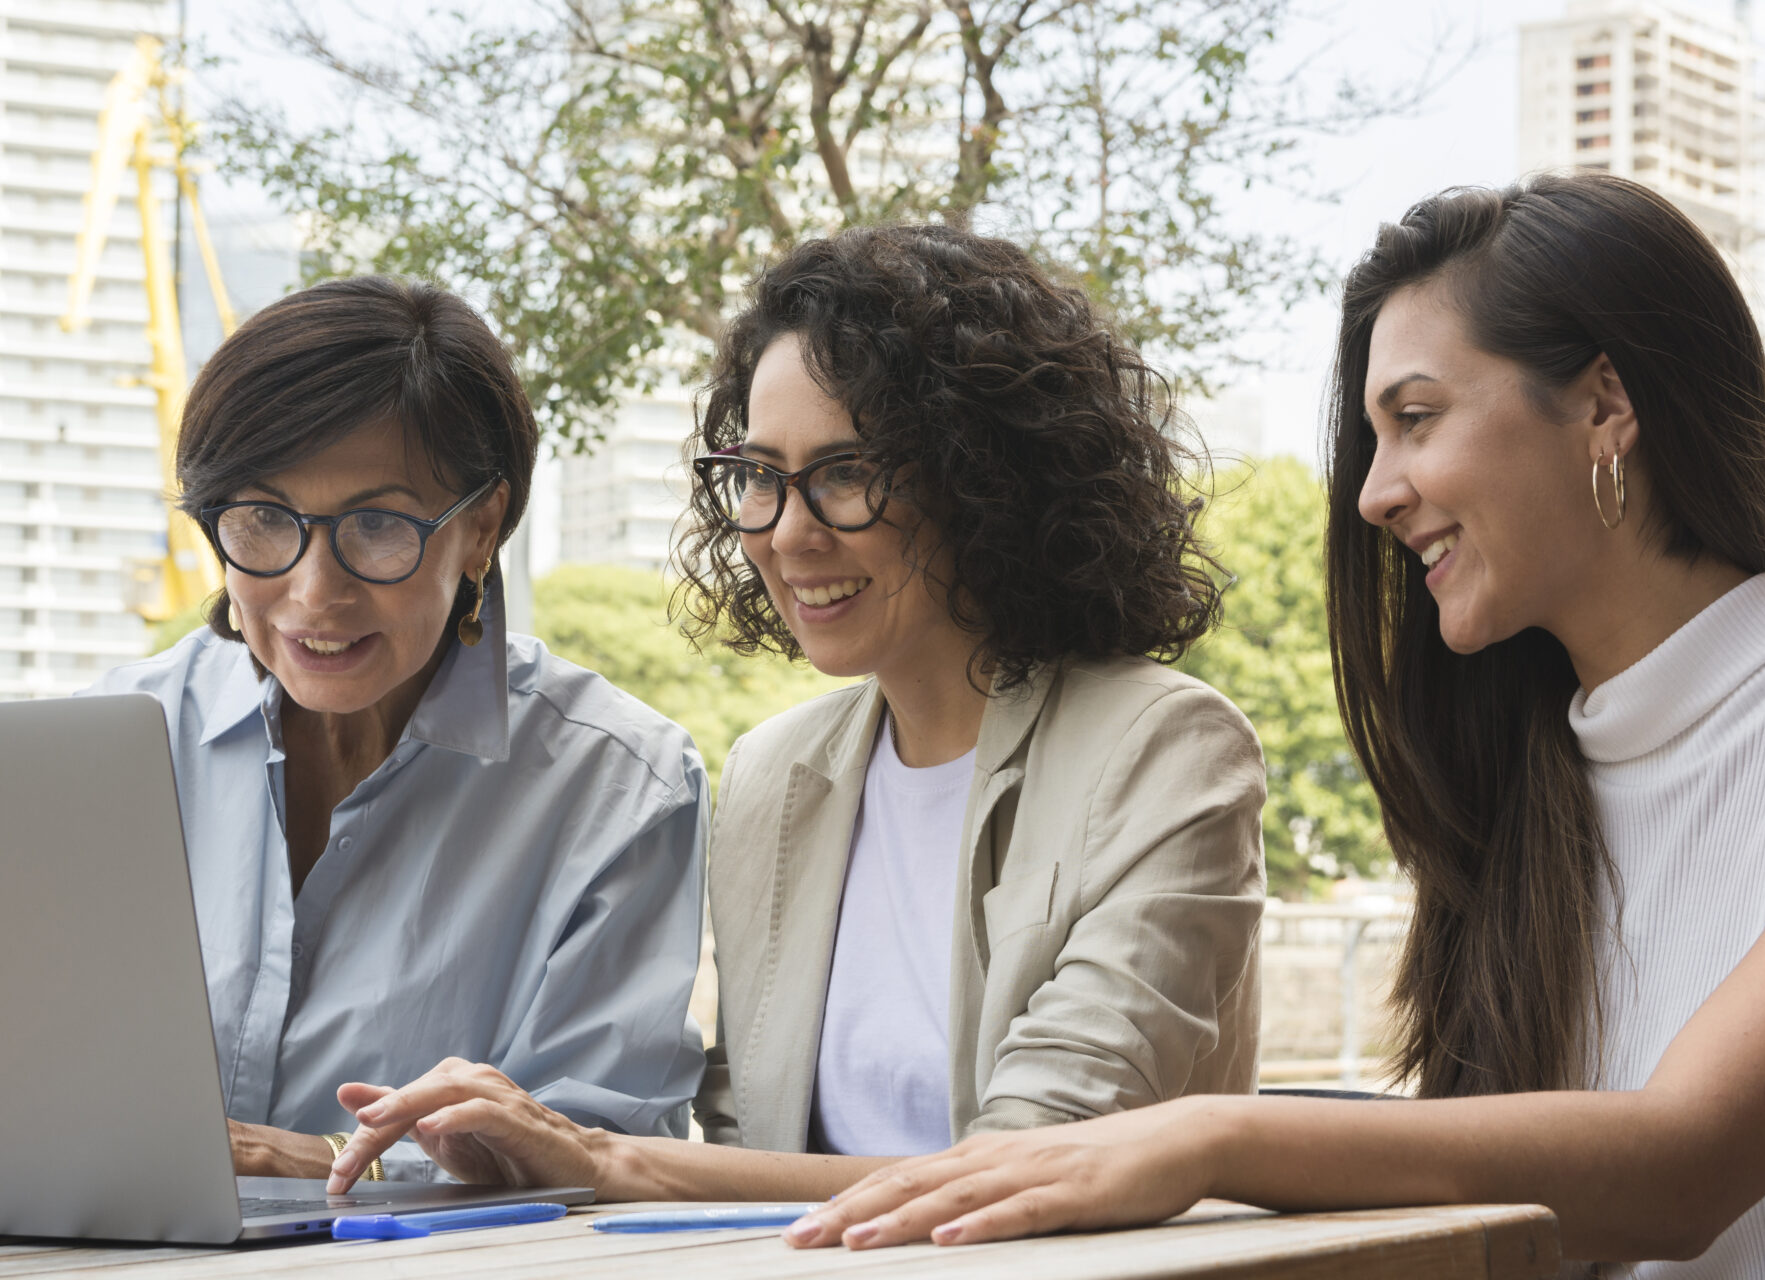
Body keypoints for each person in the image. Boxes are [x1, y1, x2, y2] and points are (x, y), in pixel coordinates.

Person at [776, 174, 1765, 1276]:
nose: (1376, 494)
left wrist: (1214, 1134)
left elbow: (1685, 1165)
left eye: (1415, 418)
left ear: (1605, 403)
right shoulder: (1523, 782)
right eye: (1374, 439)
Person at [324, 224, 1268, 1200]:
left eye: (848, 472)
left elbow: (1036, 1166)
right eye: (761, 476)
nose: (789, 530)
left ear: (988, 476)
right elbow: (746, 1135)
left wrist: (605, 1157)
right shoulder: (776, 771)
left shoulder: (1163, 749)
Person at [87, 277, 708, 1182]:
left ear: (483, 525)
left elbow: (605, 1160)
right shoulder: (116, 740)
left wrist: (326, 1163)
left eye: (377, 526)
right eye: (263, 520)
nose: (314, 594)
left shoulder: (619, 787)